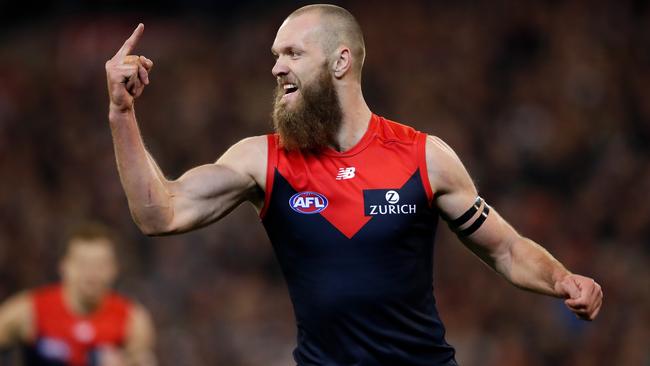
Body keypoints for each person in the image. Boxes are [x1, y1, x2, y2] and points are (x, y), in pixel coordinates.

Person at [104, 4, 603, 365]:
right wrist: (122, 113)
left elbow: (507, 250)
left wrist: (561, 280)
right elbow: (159, 214)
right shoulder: (263, 159)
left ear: (340, 62)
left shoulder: (424, 157)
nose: (276, 67)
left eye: (293, 53)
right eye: (276, 55)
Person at [0, 222, 156, 366]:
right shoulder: (31, 310)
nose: (91, 274)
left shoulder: (133, 321)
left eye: (100, 265)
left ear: (114, 269)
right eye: (83, 263)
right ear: (64, 266)